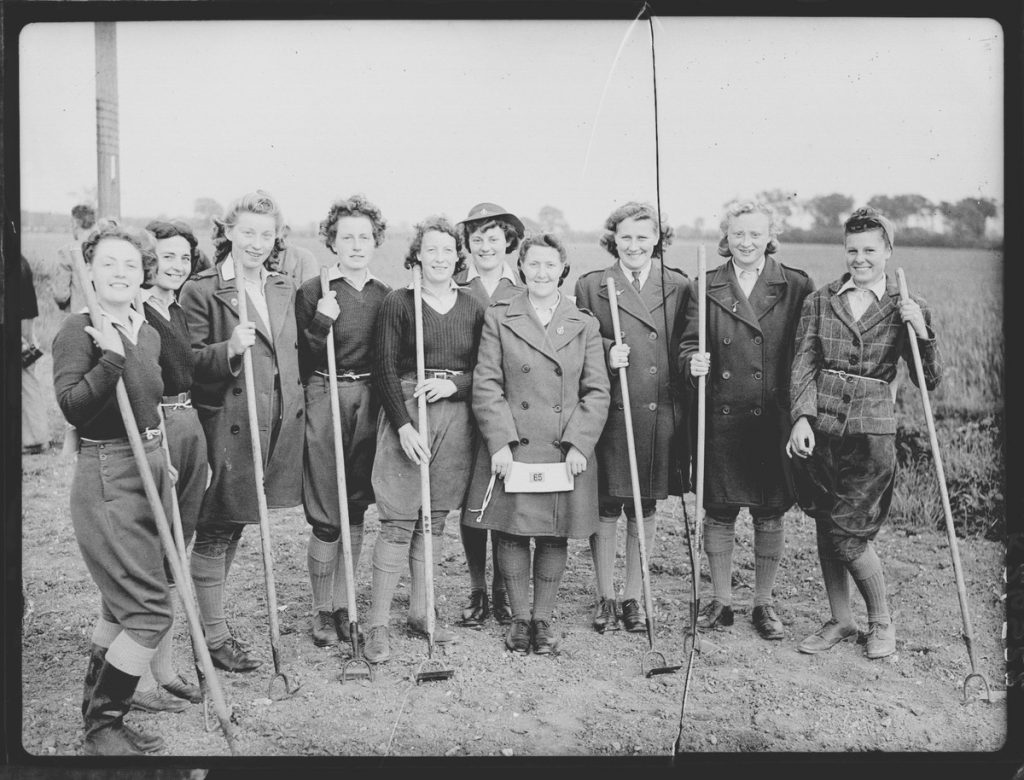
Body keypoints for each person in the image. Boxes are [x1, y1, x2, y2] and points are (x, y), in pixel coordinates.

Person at [788, 206, 940, 660]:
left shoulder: (906, 304)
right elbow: (803, 364)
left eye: (870, 249)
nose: (860, 258)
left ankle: (881, 622)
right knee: (824, 520)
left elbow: (928, 380)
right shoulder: (821, 299)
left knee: (850, 532)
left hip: (872, 434)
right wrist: (800, 417)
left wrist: (921, 330)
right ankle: (840, 619)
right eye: (853, 249)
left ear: (888, 251)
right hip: (821, 430)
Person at [51, 220, 173, 755]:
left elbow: (152, 397)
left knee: (118, 607)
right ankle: (104, 727)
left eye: (130, 264)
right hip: (107, 471)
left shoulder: (144, 327)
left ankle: (98, 715)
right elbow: (74, 407)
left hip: (148, 465)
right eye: (108, 264)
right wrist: (111, 359)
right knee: (149, 612)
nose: (120, 273)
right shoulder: (80, 331)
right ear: (90, 273)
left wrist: (158, 451)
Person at [464, 233, 610, 655]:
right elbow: (487, 384)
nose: (542, 273)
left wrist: (580, 444)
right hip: (517, 443)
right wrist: (501, 443)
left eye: (551, 265)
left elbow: (597, 391)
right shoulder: (500, 316)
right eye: (534, 265)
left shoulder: (583, 322)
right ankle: (520, 620)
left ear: (562, 269)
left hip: (563, 447)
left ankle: (543, 619)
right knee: (512, 530)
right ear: (522, 268)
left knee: (552, 533)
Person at [179, 190, 305, 673]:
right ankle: (211, 637)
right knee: (216, 530)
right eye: (247, 232)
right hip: (225, 427)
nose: (256, 243)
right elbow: (186, 363)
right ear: (228, 231)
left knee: (232, 530)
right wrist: (227, 348)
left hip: (271, 428)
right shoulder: (203, 289)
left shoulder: (281, 286)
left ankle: (209, 629)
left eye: (266, 234)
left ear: (277, 238)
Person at [680, 200, 815, 641]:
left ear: (770, 235)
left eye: (756, 234)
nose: (746, 242)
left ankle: (764, 602)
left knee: (769, 511)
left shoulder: (794, 285)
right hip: (721, 415)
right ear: (726, 236)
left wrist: (801, 413)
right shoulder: (704, 284)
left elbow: (805, 357)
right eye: (738, 234)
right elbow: (685, 346)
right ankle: (720, 602)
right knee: (719, 510)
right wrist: (692, 363)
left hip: (770, 418)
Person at [363, 216, 486, 664]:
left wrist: (456, 386)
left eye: (447, 250)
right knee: (398, 520)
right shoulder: (400, 302)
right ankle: (376, 624)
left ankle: (422, 613)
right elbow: (383, 369)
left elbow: (487, 370)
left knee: (432, 520)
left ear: (458, 256)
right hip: (410, 417)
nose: (439, 258)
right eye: (430, 250)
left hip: (455, 420)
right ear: (418, 255)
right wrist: (403, 425)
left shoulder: (473, 306)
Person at [574, 202, 690, 634]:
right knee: (605, 503)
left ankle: (632, 598)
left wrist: (694, 362)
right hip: (610, 412)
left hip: (656, 412)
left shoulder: (678, 286)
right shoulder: (591, 285)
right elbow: (578, 341)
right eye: (626, 237)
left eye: (643, 237)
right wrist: (606, 350)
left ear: (657, 239)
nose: (634, 245)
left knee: (643, 506)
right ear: (613, 239)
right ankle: (604, 596)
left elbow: (686, 344)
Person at [296, 195, 391, 648]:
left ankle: (344, 605)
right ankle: (319, 610)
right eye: (347, 236)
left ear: (376, 242)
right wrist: (321, 320)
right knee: (326, 510)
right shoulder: (315, 290)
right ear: (332, 241)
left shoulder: (385, 296)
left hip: (369, 399)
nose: (356, 244)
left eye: (365, 237)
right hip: (326, 391)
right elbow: (303, 356)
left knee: (355, 504)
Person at [129, 219, 209, 712]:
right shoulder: (138, 313)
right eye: (165, 256)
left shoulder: (174, 310)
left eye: (184, 258)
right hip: (156, 429)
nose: (175, 266)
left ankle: (165, 666)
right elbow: (142, 385)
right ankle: (134, 679)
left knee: (177, 553)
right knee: (149, 554)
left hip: (188, 423)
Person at [453, 201, 526, 628]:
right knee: (471, 501)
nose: (484, 246)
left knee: (505, 498)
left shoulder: (522, 288)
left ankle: (503, 590)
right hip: (462, 408)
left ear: (509, 244)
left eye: (493, 238)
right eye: (476, 239)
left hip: (509, 410)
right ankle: (478, 589)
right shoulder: (456, 285)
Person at [21, 255, 50, 455]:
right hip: (22, 330)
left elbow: (24, 308)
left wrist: (26, 340)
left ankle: (35, 439)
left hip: (18, 332)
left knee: (25, 382)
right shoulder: (19, 260)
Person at [52, 203, 97, 315]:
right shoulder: (104, 247)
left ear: (75, 223)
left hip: (79, 318)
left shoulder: (66, 252)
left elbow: (61, 295)